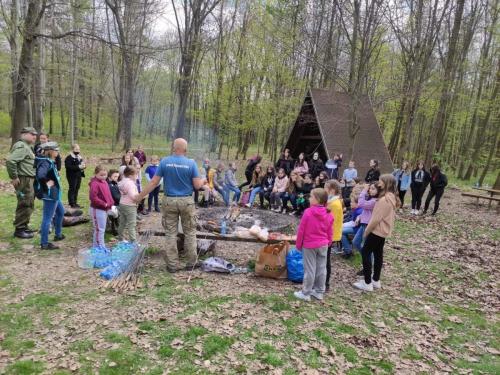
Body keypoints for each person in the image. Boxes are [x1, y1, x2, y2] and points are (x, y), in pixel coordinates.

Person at [136, 138, 204, 273]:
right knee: (190, 232)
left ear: (174, 148)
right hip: (186, 201)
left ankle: (173, 265)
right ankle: (191, 262)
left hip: (169, 201)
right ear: (185, 149)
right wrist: (203, 180)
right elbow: (197, 186)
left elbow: (153, 182)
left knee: (170, 233)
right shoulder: (191, 163)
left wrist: (139, 196)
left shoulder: (165, 162)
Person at [354, 174, 399, 292]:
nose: (379, 182)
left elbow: (376, 219)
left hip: (377, 230)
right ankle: (376, 280)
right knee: (378, 254)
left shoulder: (384, 200)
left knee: (365, 252)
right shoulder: (391, 197)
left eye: (381, 181)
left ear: (386, 183)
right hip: (383, 231)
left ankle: (367, 282)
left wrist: (366, 231)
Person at [293, 188, 333, 301]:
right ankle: (319, 291)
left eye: (311, 196)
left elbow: (301, 230)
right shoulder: (328, 213)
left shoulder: (308, 212)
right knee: (321, 268)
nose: (309, 198)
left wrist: (298, 245)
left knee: (309, 269)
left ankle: (306, 293)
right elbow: (330, 231)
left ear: (317, 199)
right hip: (323, 244)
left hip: (310, 245)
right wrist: (329, 241)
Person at [7, 127, 38, 239]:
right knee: (25, 202)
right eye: (32, 134)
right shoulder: (22, 146)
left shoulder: (28, 147)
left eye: (35, 134)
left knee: (28, 202)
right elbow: (11, 161)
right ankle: (19, 229)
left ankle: (24, 226)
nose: (34, 136)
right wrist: (14, 177)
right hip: (24, 179)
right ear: (24, 134)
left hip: (28, 179)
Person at [34, 142, 65, 250]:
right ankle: (44, 243)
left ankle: (58, 234)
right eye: (56, 150)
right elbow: (40, 175)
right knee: (47, 218)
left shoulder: (50, 161)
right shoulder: (45, 162)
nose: (58, 152)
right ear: (50, 151)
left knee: (61, 212)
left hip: (55, 194)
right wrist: (47, 184)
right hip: (50, 194)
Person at [353, 183, 380, 276]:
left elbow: (361, 204)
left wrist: (364, 190)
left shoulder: (375, 201)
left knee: (367, 249)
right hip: (363, 224)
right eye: (370, 189)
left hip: (368, 226)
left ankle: (367, 267)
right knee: (356, 242)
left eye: (373, 189)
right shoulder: (371, 199)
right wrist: (359, 217)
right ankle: (367, 259)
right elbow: (366, 211)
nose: (370, 190)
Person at [89, 166, 115, 249]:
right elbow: (93, 197)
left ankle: (99, 247)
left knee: (102, 229)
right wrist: (104, 204)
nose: (103, 177)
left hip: (105, 209)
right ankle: (100, 247)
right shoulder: (95, 183)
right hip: (97, 209)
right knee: (99, 229)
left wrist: (111, 204)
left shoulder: (104, 182)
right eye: (101, 175)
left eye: (105, 175)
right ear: (95, 174)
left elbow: (108, 195)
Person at [324, 180, 343, 291]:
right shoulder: (330, 201)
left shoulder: (335, 204)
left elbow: (331, 222)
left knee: (326, 259)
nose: (324, 190)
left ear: (332, 190)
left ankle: (326, 283)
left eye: (326, 188)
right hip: (327, 235)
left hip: (329, 235)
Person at [117, 166, 139, 242]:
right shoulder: (130, 184)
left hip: (122, 203)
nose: (137, 176)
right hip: (130, 206)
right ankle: (133, 242)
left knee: (122, 222)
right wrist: (141, 197)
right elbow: (133, 196)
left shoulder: (122, 181)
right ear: (130, 175)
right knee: (132, 224)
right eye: (136, 174)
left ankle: (120, 238)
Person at [65, 144, 86, 208]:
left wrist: (83, 166)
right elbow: (68, 167)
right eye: (76, 149)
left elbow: (82, 165)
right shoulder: (69, 158)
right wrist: (78, 167)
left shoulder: (79, 157)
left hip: (78, 175)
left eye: (79, 149)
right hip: (71, 176)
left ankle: (75, 202)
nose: (78, 150)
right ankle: (71, 203)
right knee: (72, 188)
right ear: (72, 150)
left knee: (77, 188)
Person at [107, 169, 121, 235]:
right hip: (113, 204)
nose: (116, 178)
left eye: (117, 177)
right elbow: (116, 197)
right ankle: (115, 228)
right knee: (115, 216)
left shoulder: (114, 184)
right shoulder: (110, 185)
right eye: (115, 176)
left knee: (116, 217)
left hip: (116, 203)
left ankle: (117, 227)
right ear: (109, 177)